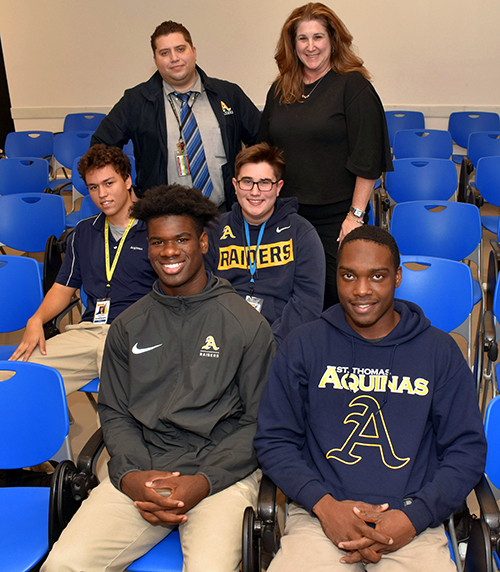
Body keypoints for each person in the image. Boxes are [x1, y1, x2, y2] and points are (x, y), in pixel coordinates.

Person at [42, 185, 275, 572]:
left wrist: (203, 480)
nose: (169, 251)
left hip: (220, 475)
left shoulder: (247, 326)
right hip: (143, 470)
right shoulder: (128, 326)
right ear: (148, 247)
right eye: (157, 242)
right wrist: (132, 475)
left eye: (181, 239)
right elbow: (115, 413)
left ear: (202, 242)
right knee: (63, 564)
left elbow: (258, 422)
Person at [254, 225, 486, 571]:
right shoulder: (303, 345)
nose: (361, 290)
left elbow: (466, 449)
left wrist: (414, 516)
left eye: (377, 276)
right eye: (349, 276)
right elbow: (274, 439)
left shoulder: (438, 351)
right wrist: (324, 505)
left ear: (398, 277)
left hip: (413, 523)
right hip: (321, 519)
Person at [258, 3, 392, 308]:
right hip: (285, 213)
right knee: (286, 296)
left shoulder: (354, 87)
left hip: (337, 218)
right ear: (292, 45)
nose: (310, 46)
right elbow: (264, 150)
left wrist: (355, 216)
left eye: (318, 37)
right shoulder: (281, 89)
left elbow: (368, 159)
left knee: (333, 296)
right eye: (302, 39)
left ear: (333, 40)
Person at [9, 144, 157, 395]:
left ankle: (115, 434)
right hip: (88, 332)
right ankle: (52, 427)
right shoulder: (84, 232)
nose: (102, 194)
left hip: (138, 332)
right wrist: (36, 320)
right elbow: (62, 289)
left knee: (116, 383)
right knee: (17, 376)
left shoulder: (157, 228)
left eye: (109, 183)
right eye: (94, 187)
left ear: (128, 180)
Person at [91, 20, 261, 209]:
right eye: (165, 53)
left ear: (194, 52)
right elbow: (101, 146)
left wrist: (251, 184)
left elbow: (261, 140)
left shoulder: (229, 94)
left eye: (180, 49)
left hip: (224, 213)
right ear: (155, 60)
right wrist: (127, 189)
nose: (174, 58)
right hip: (164, 217)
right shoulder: (136, 101)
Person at [204, 142, 325, 347]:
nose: (255, 192)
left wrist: (270, 346)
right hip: (222, 341)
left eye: (265, 183)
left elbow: (307, 304)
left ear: (278, 187)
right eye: (247, 182)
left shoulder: (302, 233)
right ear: (235, 185)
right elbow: (202, 293)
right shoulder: (213, 231)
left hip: (280, 343)